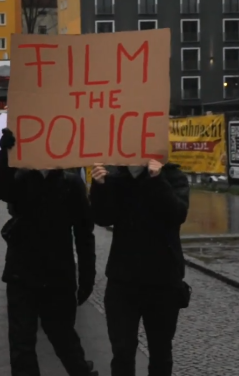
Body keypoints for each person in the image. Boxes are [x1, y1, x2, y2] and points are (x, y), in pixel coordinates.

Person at [0, 129, 99, 376]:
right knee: (21, 345)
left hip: (57, 275)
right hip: (22, 273)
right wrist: (5, 154)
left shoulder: (71, 184)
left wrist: (87, 276)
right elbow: (0, 190)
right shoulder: (19, 178)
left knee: (64, 338)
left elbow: (84, 234)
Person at [90, 161, 190, 376]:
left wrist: (157, 180)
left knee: (161, 351)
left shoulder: (172, 175)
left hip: (163, 281)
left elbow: (177, 214)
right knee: (122, 350)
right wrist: (99, 185)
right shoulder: (115, 176)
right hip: (123, 281)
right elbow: (102, 217)